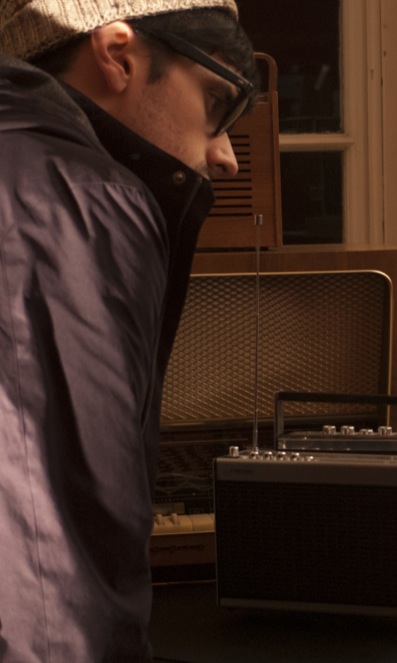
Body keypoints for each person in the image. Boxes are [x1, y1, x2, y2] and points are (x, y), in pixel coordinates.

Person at [0, 1, 258, 659]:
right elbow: (48, 562)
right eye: (215, 104)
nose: (226, 156)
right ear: (118, 56)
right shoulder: (76, 200)